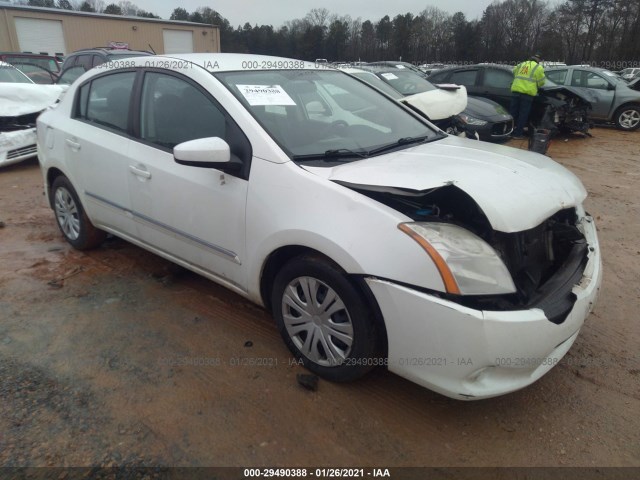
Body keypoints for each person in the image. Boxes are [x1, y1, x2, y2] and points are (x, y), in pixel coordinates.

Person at [510, 53, 545, 139]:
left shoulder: (521, 64)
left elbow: (513, 72)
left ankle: (509, 131)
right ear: (539, 61)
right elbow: (541, 82)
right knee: (523, 115)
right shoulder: (538, 68)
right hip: (527, 94)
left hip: (516, 91)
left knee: (513, 113)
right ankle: (517, 134)